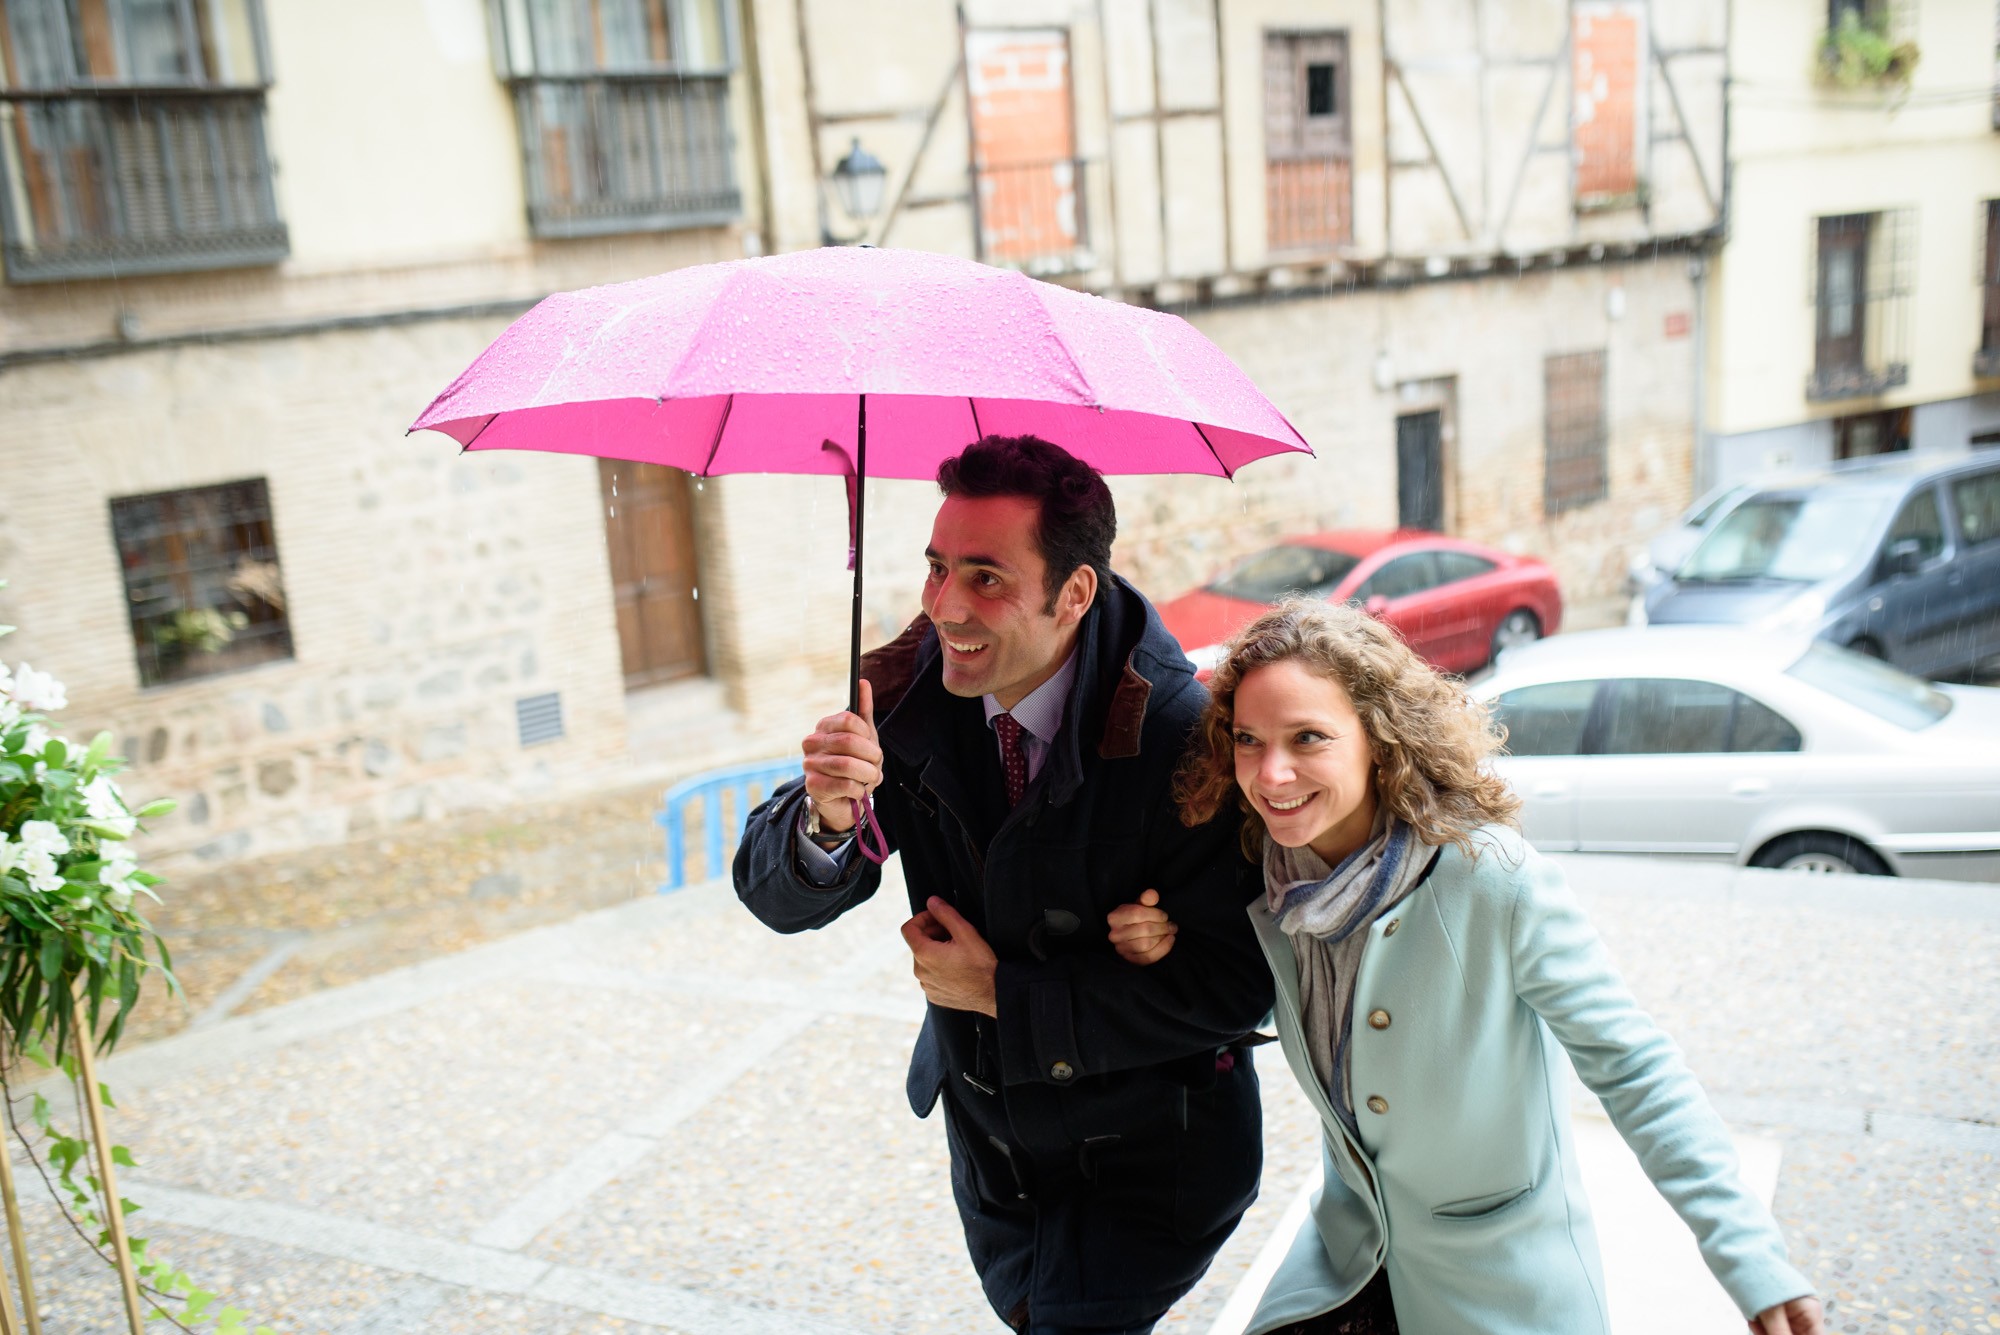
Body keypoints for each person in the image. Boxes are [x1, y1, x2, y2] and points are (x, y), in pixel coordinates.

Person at [1104, 599, 1825, 1335]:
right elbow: (1305, 1014)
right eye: (1249, 739)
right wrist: (1170, 949)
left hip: (1499, 1286)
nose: (1272, 771)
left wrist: (1751, 1257)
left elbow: (1637, 1068)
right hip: (1346, 1266)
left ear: (1379, 740)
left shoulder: (1494, 877)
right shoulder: (1268, 872)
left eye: (1309, 737)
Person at [733, 435, 1276, 1335]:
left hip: (1155, 1163)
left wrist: (1001, 995)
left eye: (987, 577)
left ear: (1074, 593)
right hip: (995, 1162)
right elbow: (779, 899)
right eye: (937, 567)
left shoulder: (1186, 734)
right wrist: (827, 816)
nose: (947, 605)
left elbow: (1236, 985)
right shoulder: (902, 699)